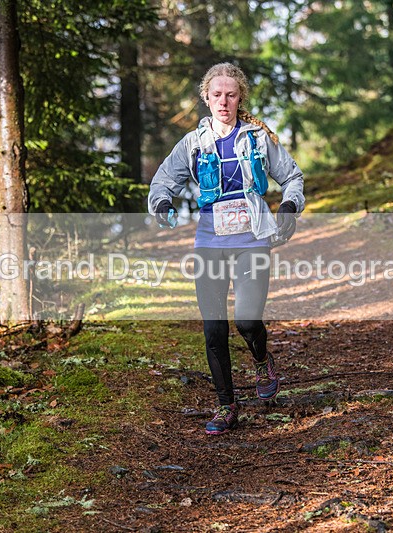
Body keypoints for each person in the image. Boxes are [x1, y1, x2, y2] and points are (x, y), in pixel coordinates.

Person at [147, 63, 305, 435]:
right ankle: (226, 405)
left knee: (248, 320)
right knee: (213, 329)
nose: (224, 101)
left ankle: (261, 359)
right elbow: (162, 182)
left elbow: (292, 176)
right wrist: (163, 205)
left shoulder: (258, 139)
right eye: (216, 94)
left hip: (252, 241)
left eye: (231, 94)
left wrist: (289, 206)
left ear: (240, 98)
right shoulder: (193, 143)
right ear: (206, 98)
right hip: (209, 245)